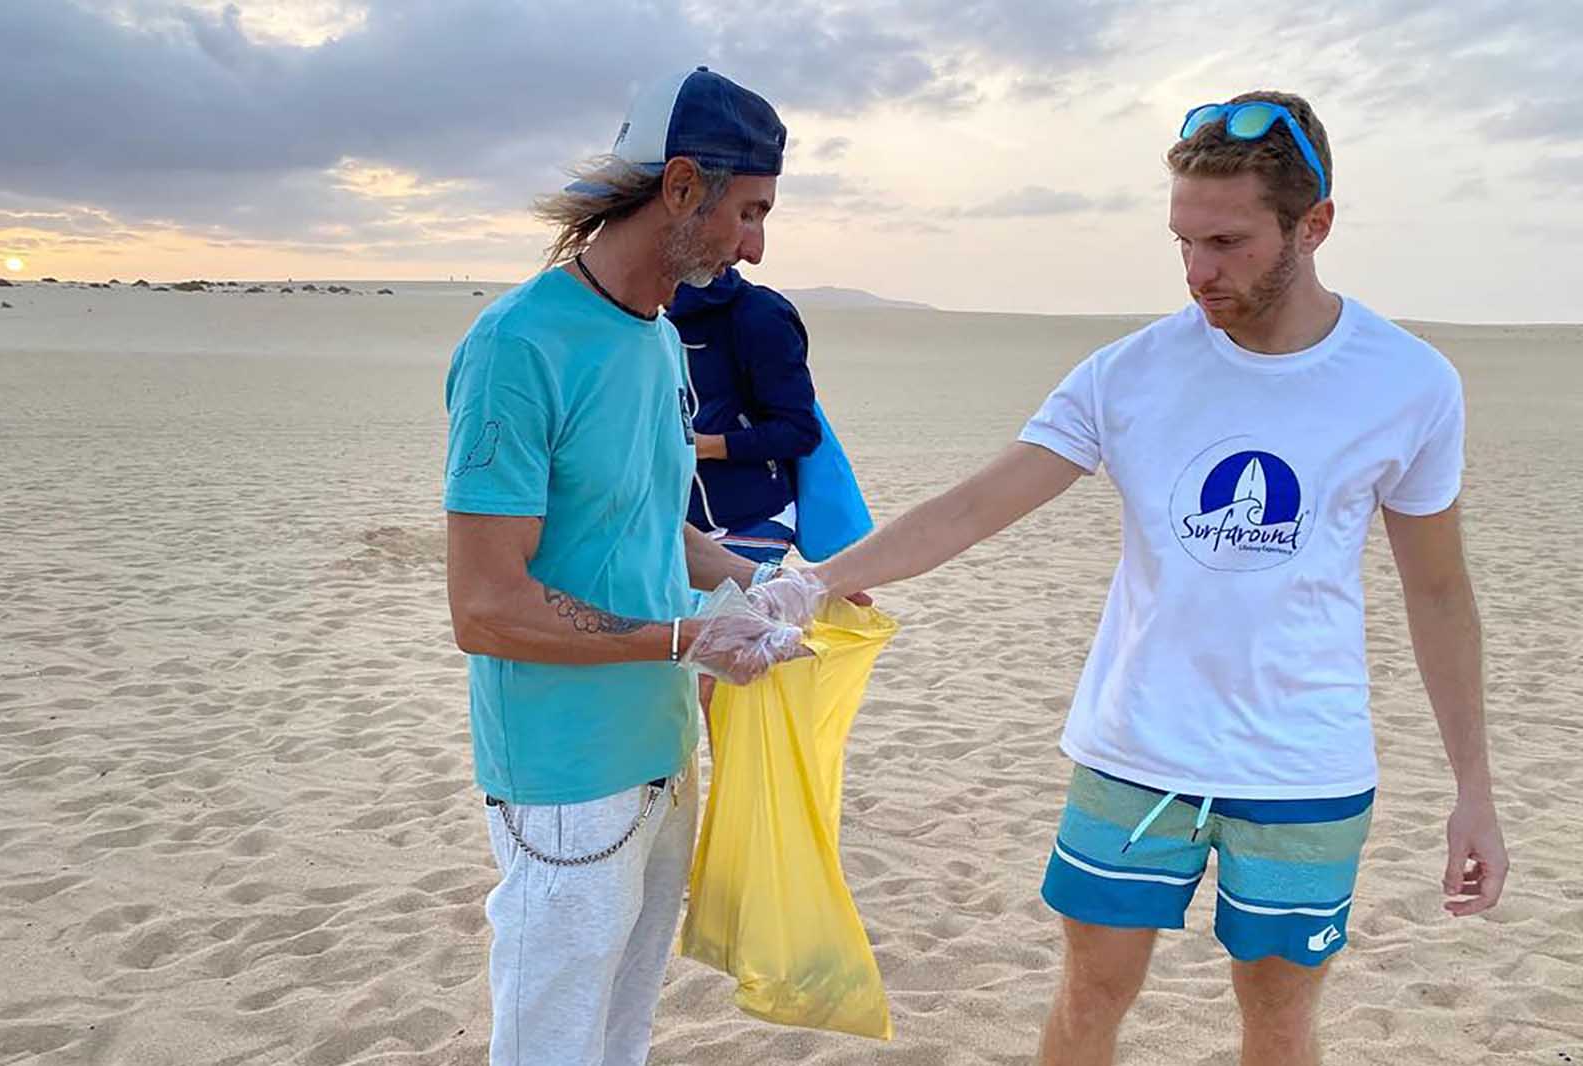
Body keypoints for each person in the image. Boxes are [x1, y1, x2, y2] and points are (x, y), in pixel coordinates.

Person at [753, 90, 1508, 1066]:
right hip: (1133, 750)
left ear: (1313, 225)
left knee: (1278, 1020)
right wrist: (810, 583)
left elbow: (1438, 591)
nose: (1198, 272)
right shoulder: (1129, 373)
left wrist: (1473, 788)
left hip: (1302, 766)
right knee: (1090, 997)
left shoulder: (1408, 383)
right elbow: (976, 505)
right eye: (1183, 242)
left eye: (1227, 243)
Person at [442, 67, 807, 1066]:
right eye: (749, 211)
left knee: (619, 1037)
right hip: (564, 778)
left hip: (659, 750)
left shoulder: (655, 340)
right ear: (681, 187)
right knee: (550, 1046)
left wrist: (759, 582)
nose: (756, 245)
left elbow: (648, 527)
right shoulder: (518, 345)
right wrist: (687, 634)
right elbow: (484, 605)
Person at [669, 265, 821, 571]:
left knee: (723, 618)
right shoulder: (628, 320)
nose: (754, 253)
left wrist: (701, 446)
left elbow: (799, 431)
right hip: (669, 523)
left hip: (752, 519)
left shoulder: (760, 314)